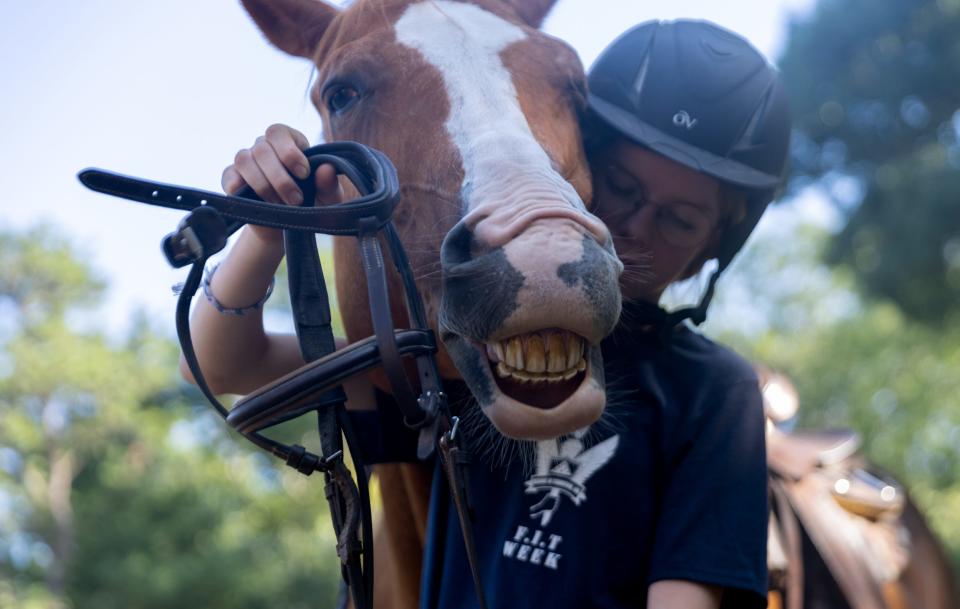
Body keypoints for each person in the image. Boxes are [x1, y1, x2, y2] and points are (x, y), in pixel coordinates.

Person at [182, 18, 790, 609]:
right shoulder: (466, 340)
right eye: (622, 188)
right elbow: (221, 366)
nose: (635, 225)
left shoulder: (713, 389)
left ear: (712, 249)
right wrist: (266, 232)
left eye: (679, 221)